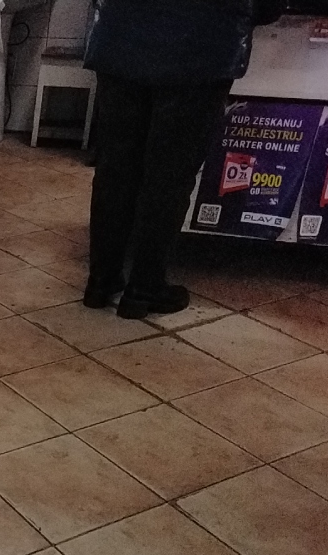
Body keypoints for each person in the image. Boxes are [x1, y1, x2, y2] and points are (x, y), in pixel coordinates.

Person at [81, 0, 286, 319]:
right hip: (200, 50)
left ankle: (101, 281)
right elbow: (267, 6)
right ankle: (144, 288)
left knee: (115, 170)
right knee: (169, 176)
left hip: (119, 37)